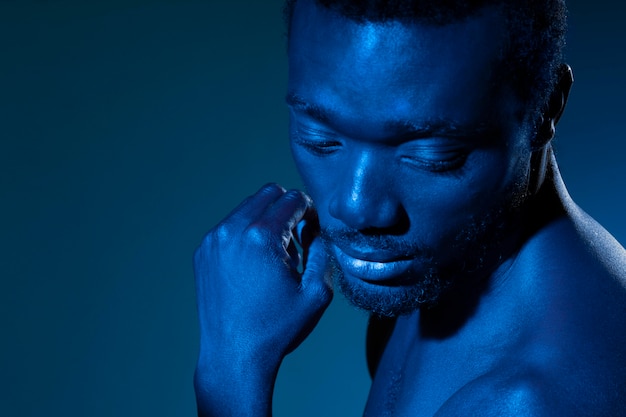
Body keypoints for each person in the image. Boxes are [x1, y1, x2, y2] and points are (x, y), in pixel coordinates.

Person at [193, 0, 626, 415]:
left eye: (430, 156)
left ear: (546, 108)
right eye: (319, 138)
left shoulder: (535, 403)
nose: (356, 207)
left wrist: (229, 372)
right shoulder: (444, 272)